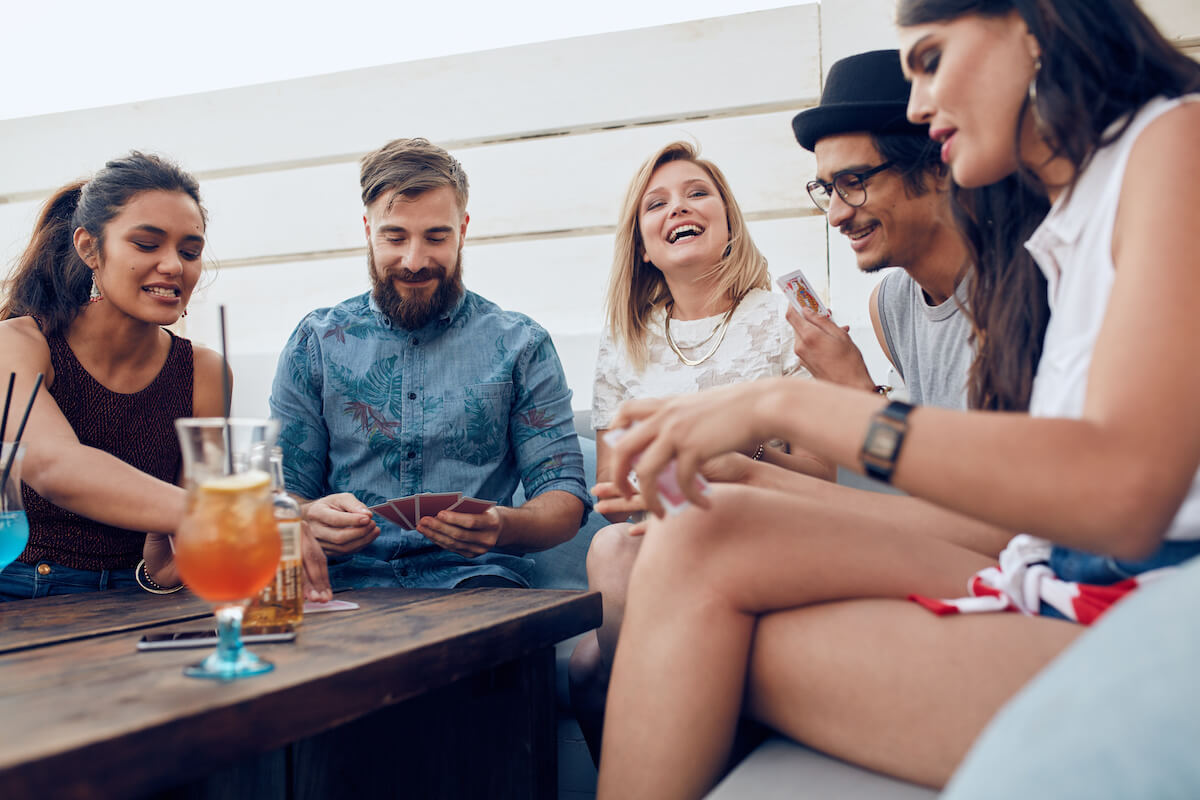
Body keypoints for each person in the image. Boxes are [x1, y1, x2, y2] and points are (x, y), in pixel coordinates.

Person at [594, 0, 1200, 796]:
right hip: (1050, 579)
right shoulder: (1065, 228)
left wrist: (789, 404)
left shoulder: (1173, 144)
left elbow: (1120, 496)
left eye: (931, 59)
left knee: (690, 615)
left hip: (1138, 617)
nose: (916, 105)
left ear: (1036, 26)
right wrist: (747, 472)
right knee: (695, 545)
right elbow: (1018, 523)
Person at [569, 141, 832, 760]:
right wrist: (657, 476)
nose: (677, 208)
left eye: (696, 194)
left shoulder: (781, 318)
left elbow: (825, 478)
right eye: (655, 204)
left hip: (764, 532)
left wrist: (740, 454)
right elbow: (611, 499)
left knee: (593, 659)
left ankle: (667, 757)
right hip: (664, 538)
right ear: (641, 243)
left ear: (728, 222)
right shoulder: (624, 340)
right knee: (603, 582)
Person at [0, 152, 330, 602]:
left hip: (140, 602)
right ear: (89, 248)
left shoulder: (205, 371)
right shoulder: (19, 343)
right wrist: (229, 512)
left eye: (190, 251)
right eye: (147, 244)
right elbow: (53, 466)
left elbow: (173, 554)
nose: (175, 265)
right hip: (20, 593)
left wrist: (171, 563)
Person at [270, 137, 590, 590]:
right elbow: (278, 496)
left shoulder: (523, 344)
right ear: (368, 231)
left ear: (464, 229)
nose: (414, 261)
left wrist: (502, 525)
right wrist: (305, 517)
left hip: (478, 586)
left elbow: (564, 503)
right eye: (394, 236)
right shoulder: (315, 342)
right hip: (344, 591)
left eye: (436, 237)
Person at [790, 48, 1002, 410]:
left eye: (853, 181)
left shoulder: (1028, 286)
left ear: (937, 168)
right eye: (827, 190)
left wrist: (855, 391)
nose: (836, 214)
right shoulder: (891, 304)